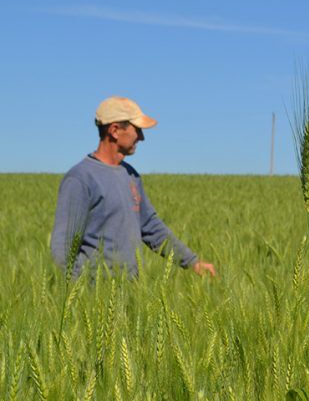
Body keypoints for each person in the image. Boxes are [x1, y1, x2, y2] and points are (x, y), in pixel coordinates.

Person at [51, 96, 216, 279]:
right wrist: (76, 296)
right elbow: (63, 247)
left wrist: (192, 262)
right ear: (114, 131)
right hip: (93, 297)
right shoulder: (81, 178)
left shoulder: (131, 175)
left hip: (131, 294)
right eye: (137, 130)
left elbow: (151, 227)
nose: (142, 137)